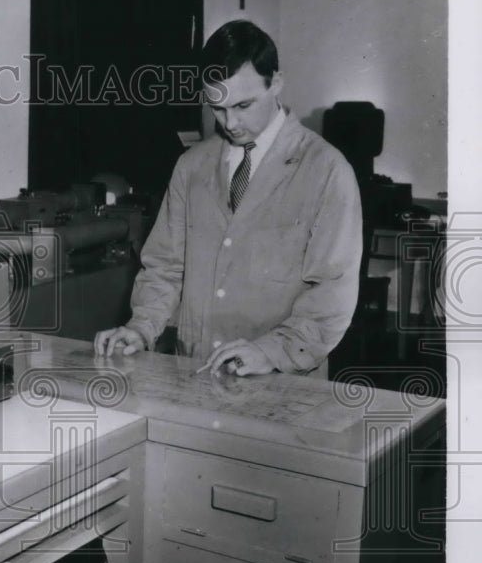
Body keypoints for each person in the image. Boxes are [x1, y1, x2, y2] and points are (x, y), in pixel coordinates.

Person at [94, 20, 362, 377]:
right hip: (195, 374)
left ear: (276, 83)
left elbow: (332, 293)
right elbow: (165, 266)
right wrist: (142, 327)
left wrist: (271, 352)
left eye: (244, 105)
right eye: (217, 108)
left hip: (282, 383)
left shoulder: (327, 171)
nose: (230, 123)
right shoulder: (191, 167)